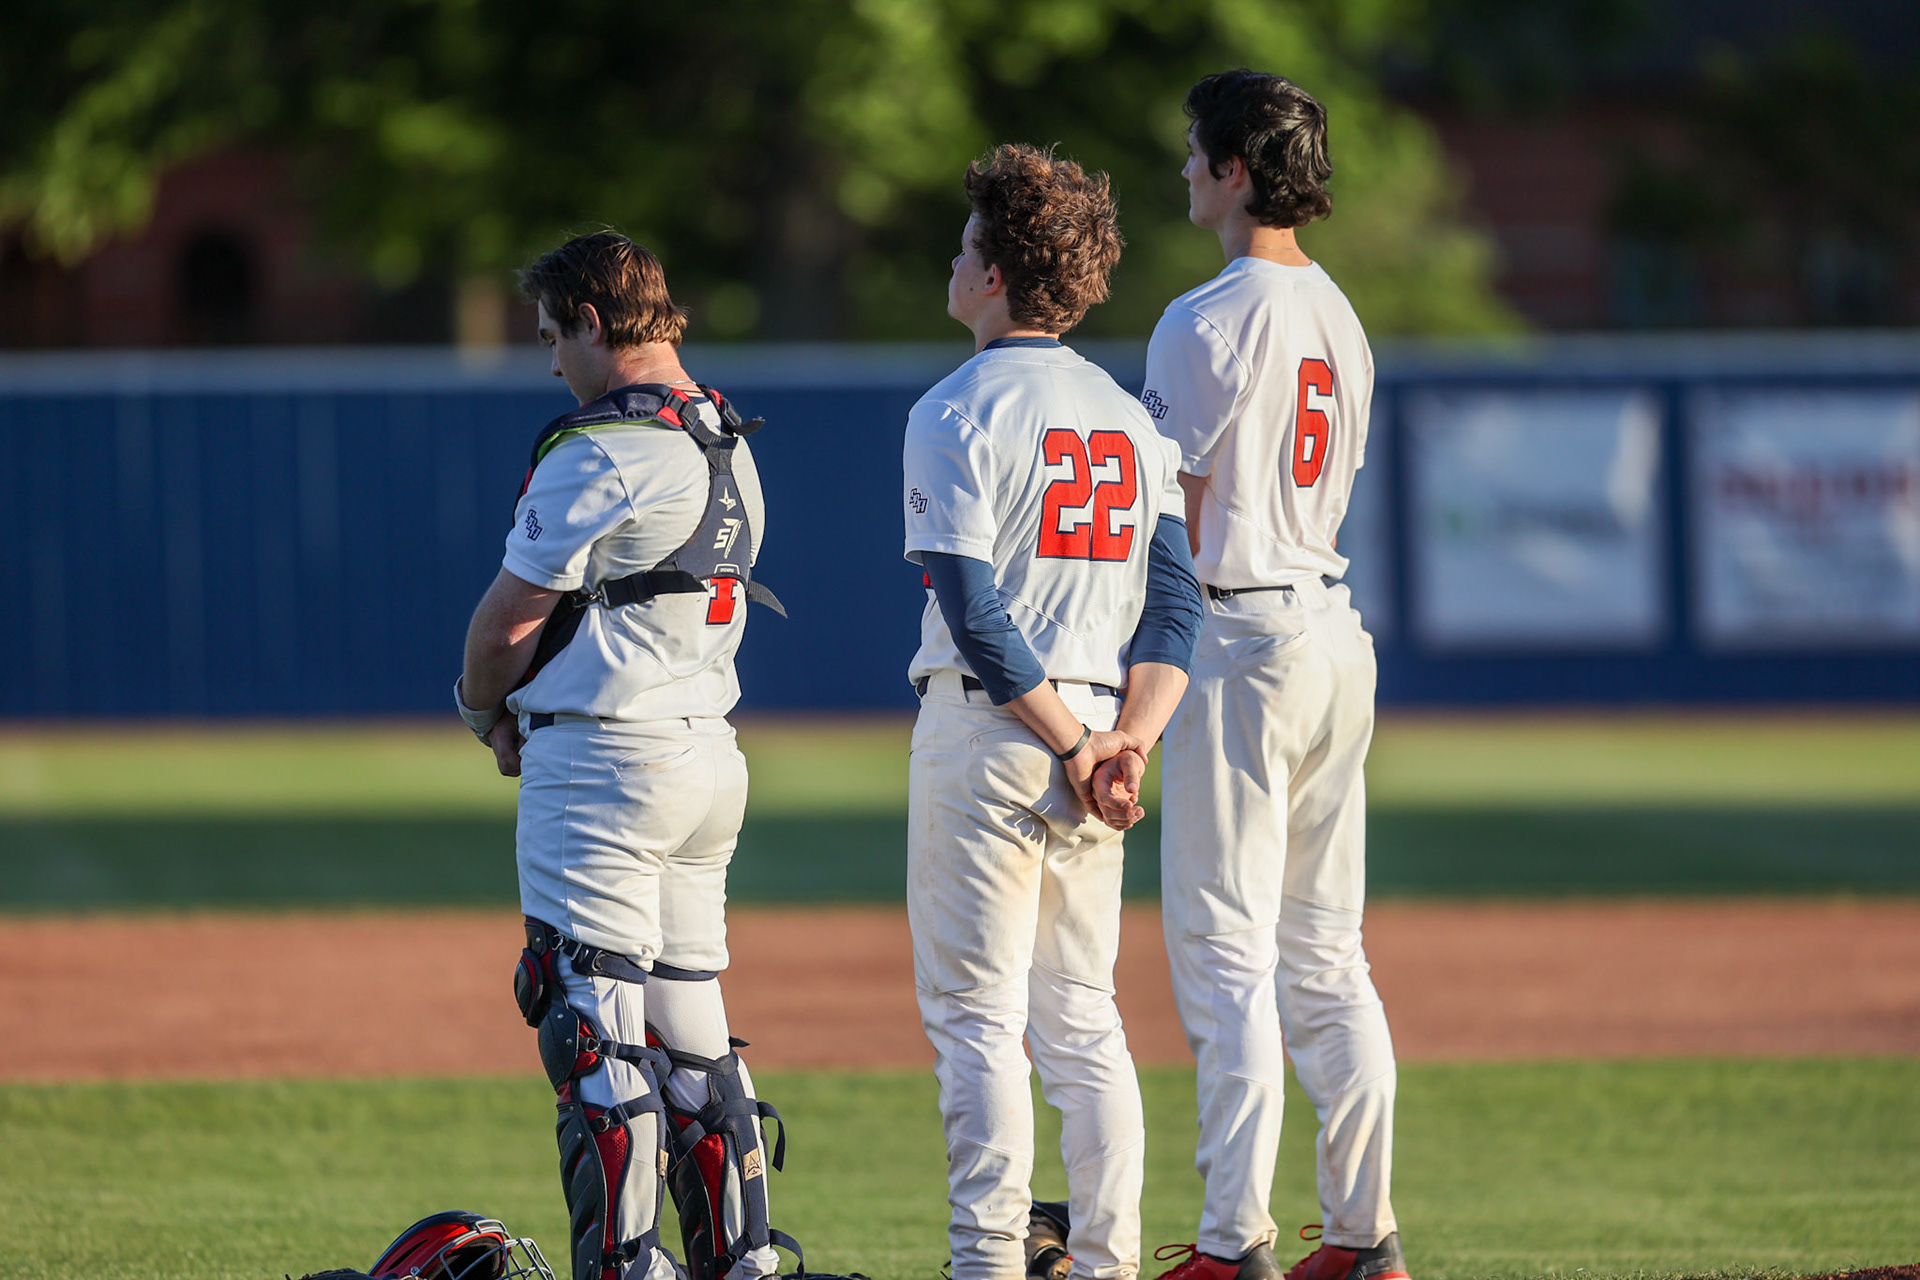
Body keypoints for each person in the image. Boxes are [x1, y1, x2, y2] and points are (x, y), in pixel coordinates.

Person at [455, 231, 797, 1280]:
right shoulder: (727, 435)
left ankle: (628, 1266)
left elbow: (510, 619)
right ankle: (739, 1260)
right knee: (693, 1033)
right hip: (706, 758)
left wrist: (481, 709)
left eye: (556, 334)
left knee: (592, 1035)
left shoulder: (604, 446)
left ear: (594, 324)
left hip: (605, 762)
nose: (551, 359)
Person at [901, 143, 1203, 1280]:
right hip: (1092, 728)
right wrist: (1128, 739)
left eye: (967, 242)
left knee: (976, 1016)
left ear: (995, 274)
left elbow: (975, 611)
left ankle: (988, 1260)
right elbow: (1176, 605)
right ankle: (1110, 1261)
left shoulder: (955, 405)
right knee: (1080, 1016)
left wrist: (1080, 743)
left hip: (997, 730)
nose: (954, 256)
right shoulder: (1131, 418)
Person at [1129, 69, 1410, 1280]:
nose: (1187, 168)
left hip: (1240, 641)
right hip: (1332, 631)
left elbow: (1171, 514)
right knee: (1326, 950)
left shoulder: (1205, 317)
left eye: (1199, 151)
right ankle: (1361, 1233)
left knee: (1226, 948)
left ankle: (1235, 1241)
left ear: (1237, 166)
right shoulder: (1340, 311)